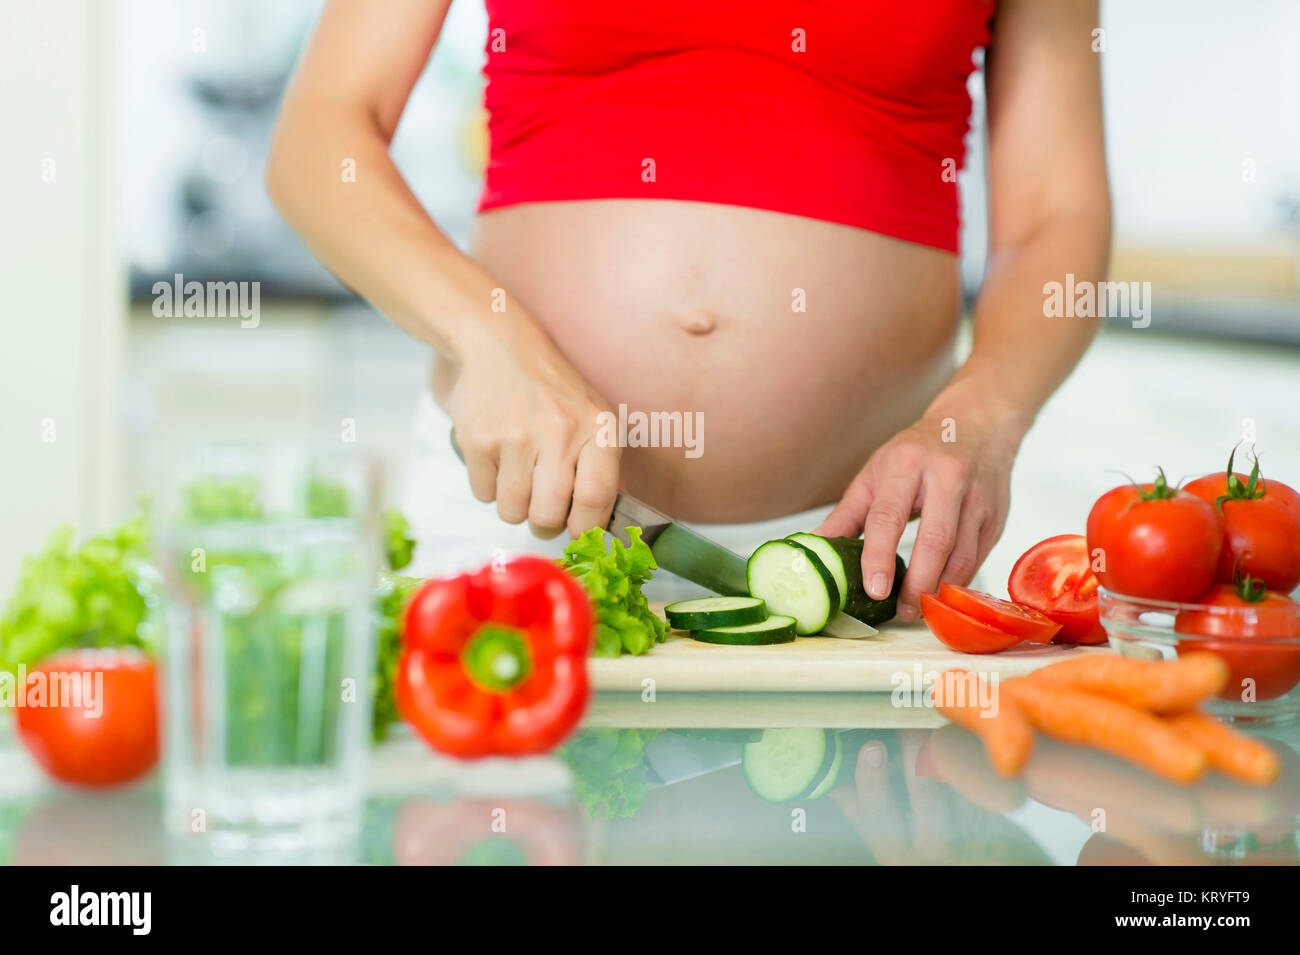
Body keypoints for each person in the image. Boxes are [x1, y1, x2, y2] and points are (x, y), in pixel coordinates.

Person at [267, 0, 1109, 617]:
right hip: (517, 512)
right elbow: (323, 130)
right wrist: (490, 340)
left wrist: (981, 420)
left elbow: (1055, 216)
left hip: (858, 548)